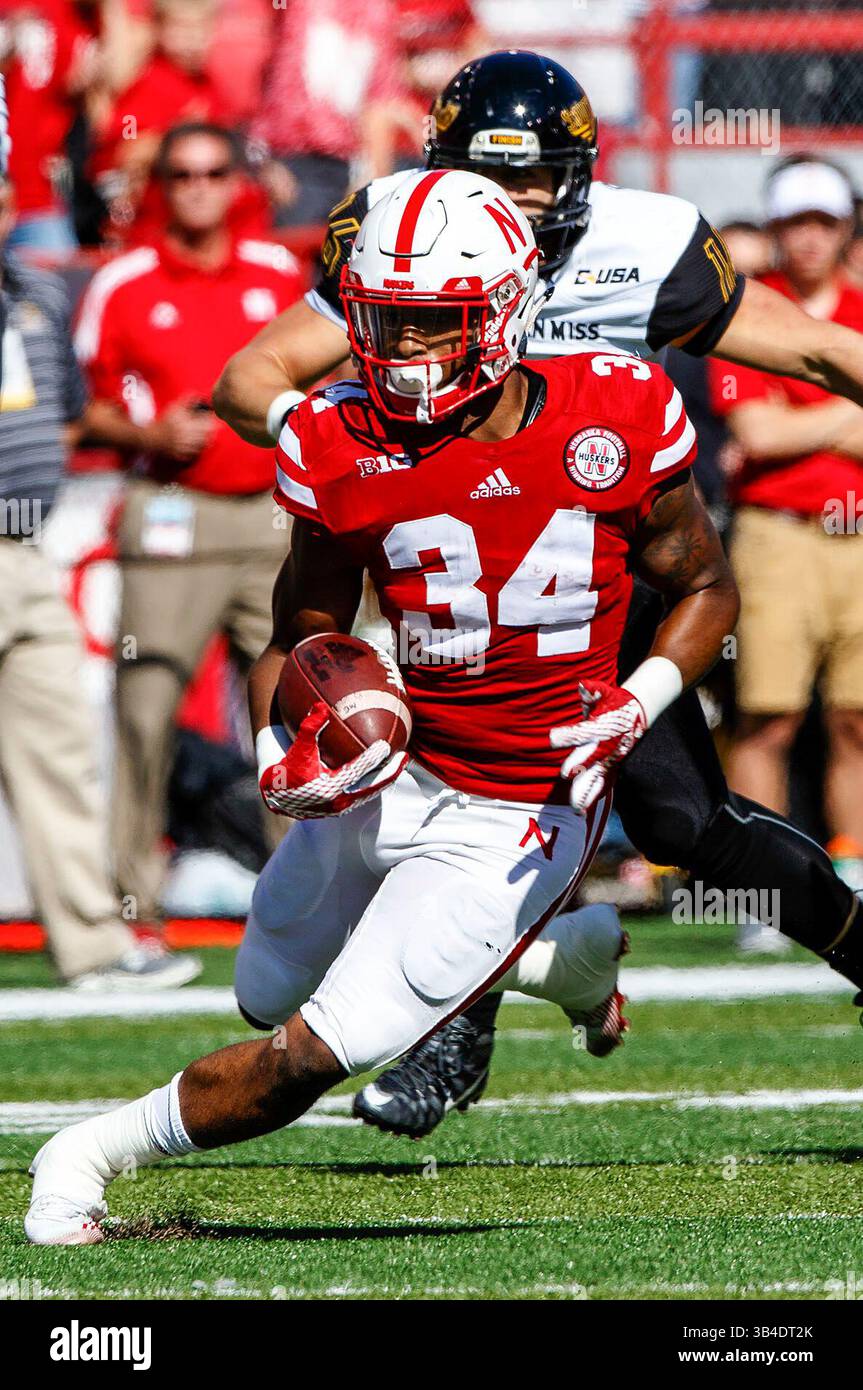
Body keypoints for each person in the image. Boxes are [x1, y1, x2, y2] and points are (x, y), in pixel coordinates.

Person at [24, 171, 739, 1245]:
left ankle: (81, 1156)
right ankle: (562, 953)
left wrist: (640, 698)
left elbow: (701, 586)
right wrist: (287, 735)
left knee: (307, 1051)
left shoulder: (615, 409)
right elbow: (300, 627)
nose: (400, 352)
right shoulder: (334, 437)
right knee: (261, 992)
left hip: (521, 804)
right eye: (381, 323)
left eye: (430, 325)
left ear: (505, 311)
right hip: (392, 764)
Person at [215, 51, 863, 1141]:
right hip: (456, 593)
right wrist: (335, 458)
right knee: (448, 816)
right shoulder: (396, 233)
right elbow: (248, 378)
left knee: (681, 820)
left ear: (578, 173)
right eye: (484, 175)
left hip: (604, 580)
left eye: (533, 180)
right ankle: (453, 1038)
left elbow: (805, 345)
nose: (509, 202)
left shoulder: (642, 239)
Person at [75, 121, 304, 935]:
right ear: (160, 186)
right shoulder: (124, 282)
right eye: (180, 173)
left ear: (236, 181)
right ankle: (131, 911)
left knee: (296, 711)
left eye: (213, 171)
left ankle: (302, 904)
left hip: (274, 516)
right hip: (173, 514)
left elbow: (336, 374)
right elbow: (78, 411)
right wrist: (146, 437)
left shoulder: (278, 273)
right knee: (145, 711)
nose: (198, 186)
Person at [0, 173, 198, 988]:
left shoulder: (37, 295)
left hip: (26, 549)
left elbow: (71, 415)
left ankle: (90, 945)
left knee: (60, 751)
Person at [711, 158, 863, 886]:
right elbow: (756, 433)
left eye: (822, 223)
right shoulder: (748, 313)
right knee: (767, 717)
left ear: (844, 229)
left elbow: (773, 432)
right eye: (794, 222)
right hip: (775, 534)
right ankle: (760, 887)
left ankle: (852, 871)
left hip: (856, 535)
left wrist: (795, 419)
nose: (807, 238)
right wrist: (845, 414)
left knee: (855, 719)